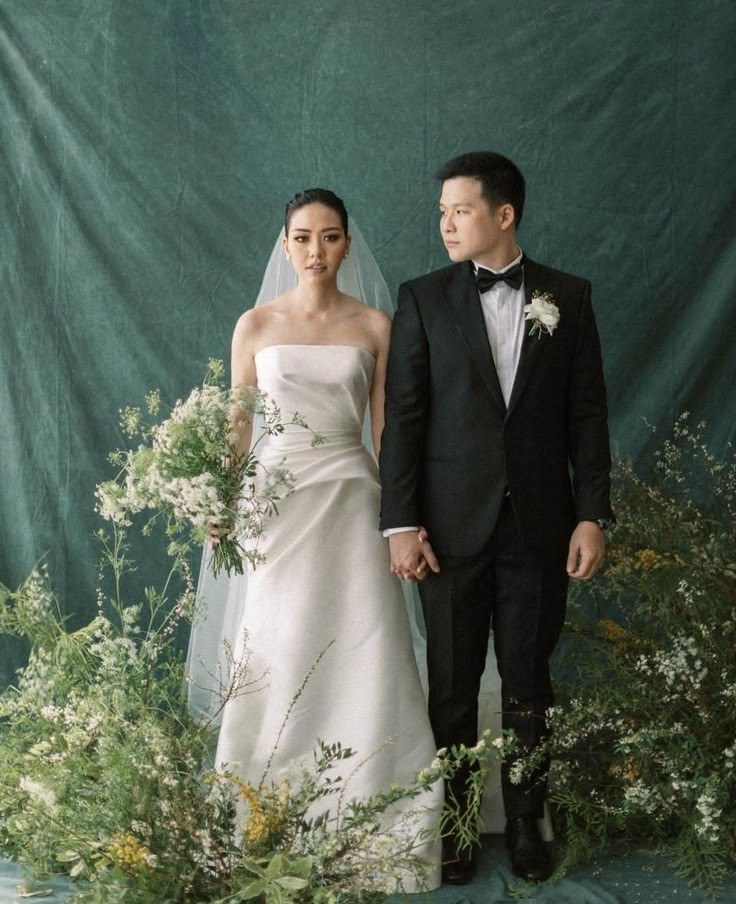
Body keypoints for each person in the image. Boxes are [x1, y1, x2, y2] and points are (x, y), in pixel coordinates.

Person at [192, 188, 442, 893]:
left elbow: (391, 432)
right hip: (275, 505)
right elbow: (237, 428)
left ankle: (378, 815)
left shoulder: (375, 325)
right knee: (276, 643)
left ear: (347, 245)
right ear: (284, 245)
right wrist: (219, 498)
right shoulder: (255, 325)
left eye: (330, 238)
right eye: (302, 238)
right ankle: (263, 813)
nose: (316, 252)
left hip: (352, 497)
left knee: (366, 644)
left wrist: (405, 514)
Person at [379, 152, 614, 885]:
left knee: (528, 682)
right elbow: (404, 420)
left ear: (503, 215)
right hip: (446, 531)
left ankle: (524, 825)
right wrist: (400, 523)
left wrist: (591, 515)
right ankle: (452, 829)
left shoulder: (568, 298)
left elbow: (587, 416)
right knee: (449, 685)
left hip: (542, 528)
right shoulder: (422, 298)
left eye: (461, 210)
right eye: (442, 211)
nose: (446, 223)